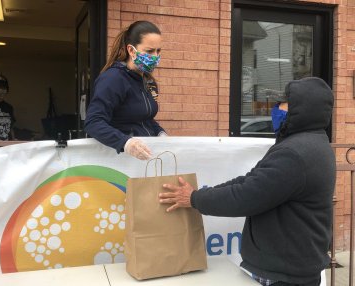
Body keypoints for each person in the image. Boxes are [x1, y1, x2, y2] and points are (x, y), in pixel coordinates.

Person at [159, 77, 335, 286]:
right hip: (294, 266)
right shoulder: (314, 143)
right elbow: (251, 179)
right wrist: (200, 193)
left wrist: (195, 198)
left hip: (284, 274)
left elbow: (246, 196)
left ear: (301, 110)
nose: (277, 107)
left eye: (283, 103)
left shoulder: (294, 153)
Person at [84, 20, 166, 160]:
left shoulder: (149, 81)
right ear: (131, 50)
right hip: (120, 160)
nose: (155, 56)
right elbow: (94, 122)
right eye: (149, 51)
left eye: (158, 51)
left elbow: (145, 118)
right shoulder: (113, 79)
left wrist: (160, 133)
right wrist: (125, 142)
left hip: (144, 157)